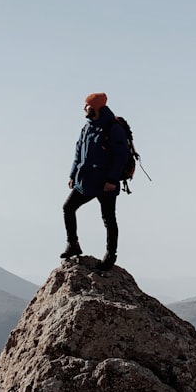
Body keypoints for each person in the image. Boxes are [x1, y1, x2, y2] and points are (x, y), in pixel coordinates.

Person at [61, 92, 129, 271]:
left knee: (108, 219)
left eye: (87, 105)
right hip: (85, 181)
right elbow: (78, 152)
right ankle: (73, 244)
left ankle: (110, 255)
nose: (84, 108)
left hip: (106, 183)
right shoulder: (87, 127)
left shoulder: (113, 128)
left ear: (97, 107)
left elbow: (121, 156)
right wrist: (72, 174)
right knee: (68, 207)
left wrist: (112, 180)